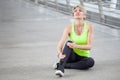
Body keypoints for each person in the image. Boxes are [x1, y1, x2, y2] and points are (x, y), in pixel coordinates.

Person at [54, 5, 95, 77]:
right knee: (69, 43)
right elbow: (60, 45)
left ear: (84, 15)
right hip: (71, 56)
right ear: (73, 15)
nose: (77, 12)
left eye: (80, 10)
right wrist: (60, 53)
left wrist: (76, 46)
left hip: (83, 57)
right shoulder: (69, 28)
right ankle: (61, 68)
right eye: (75, 11)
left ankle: (64, 65)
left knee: (91, 62)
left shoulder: (89, 27)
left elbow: (89, 46)